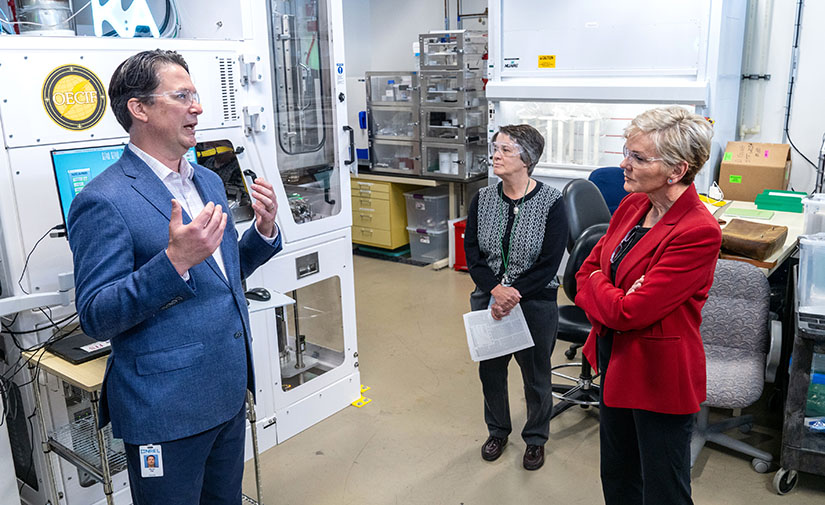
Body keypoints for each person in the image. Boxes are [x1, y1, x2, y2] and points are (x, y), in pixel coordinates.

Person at [68, 50, 282, 504]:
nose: (198, 107)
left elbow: (222, 277)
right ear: (139, 108)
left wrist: (263, 234)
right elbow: (96, 316)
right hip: (165, 406)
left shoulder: (206, 181)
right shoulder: (102, 200)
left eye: (196, 95)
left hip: (226, 389)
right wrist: (173, 262)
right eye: (182, 96)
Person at [575, 106, 721, 504]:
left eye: (638, 157)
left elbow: (630, 312)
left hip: (657, 370)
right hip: (614, 354)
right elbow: (584, 273)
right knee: (618, 473)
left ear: (676, 171)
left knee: (664, 487)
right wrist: (612, 290)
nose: (624, 163)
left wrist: (607, 292)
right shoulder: (633, 205)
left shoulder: (697, 231)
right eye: (627, 151)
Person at [464, 124, 568, 471]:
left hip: (536, 299)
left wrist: (515, 293)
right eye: (496, 148)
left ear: (528, 159)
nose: (496, 154)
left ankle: (536, 439)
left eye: (506, 149)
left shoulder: (553, 201)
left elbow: (550, 263)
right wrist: (496, 290)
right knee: (491, 372)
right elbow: (474, 255)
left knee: (536, 375)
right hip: (490, 298)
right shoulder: (483, 198)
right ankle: (497, 431)